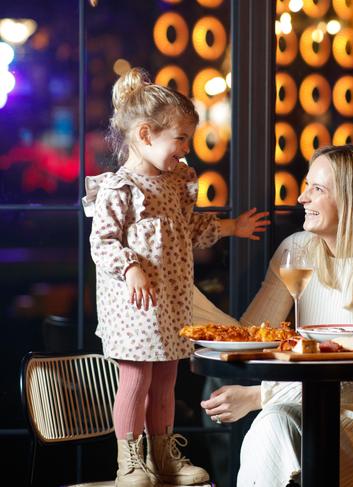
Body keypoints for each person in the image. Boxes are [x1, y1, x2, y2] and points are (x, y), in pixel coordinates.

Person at [83, 67, 269, 487]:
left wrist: (230, 227)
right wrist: (130, 267)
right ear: (146, 135)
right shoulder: (120, 189)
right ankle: (129, 462)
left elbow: (190, 229)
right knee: (136, 378)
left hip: (170, 302)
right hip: (135, 307)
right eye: (180, 138)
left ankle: (163, 455)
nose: (186, 149)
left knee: (166, 378)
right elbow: (103, 242)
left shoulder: (176, 182)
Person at [196, 144, 353, 487]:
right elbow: (249, 335)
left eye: (317, 189)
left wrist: (258, 397)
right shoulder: (296, 249)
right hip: (308, 414)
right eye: (306, 187)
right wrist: (184, 295)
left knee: (270, 418)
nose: (302, 198)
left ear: (351, 199)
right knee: (272, 424)